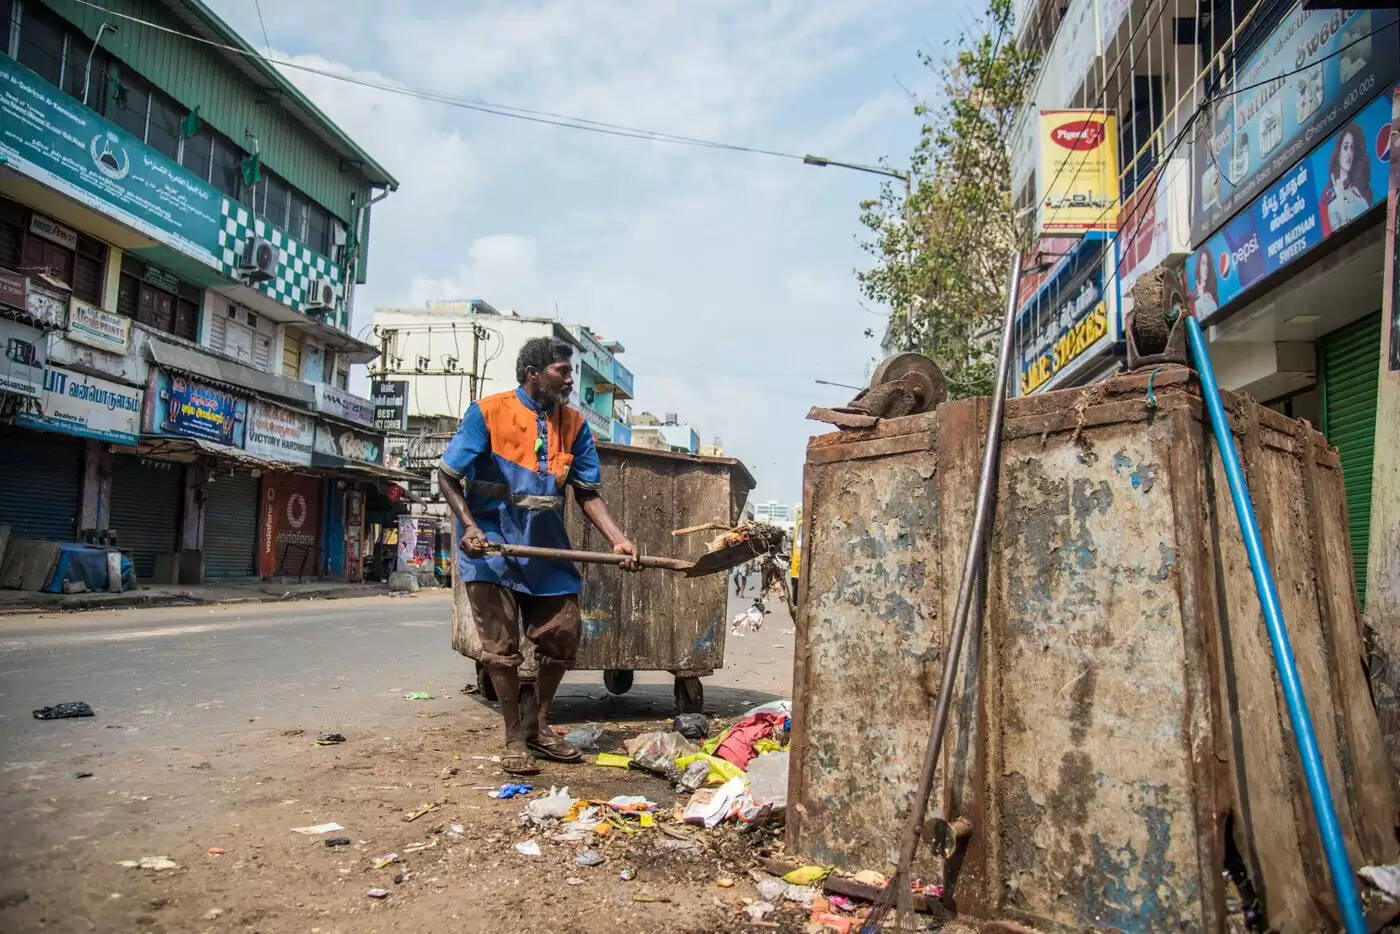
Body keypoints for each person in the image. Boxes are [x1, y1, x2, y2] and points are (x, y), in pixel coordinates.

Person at [438, 337, 639, 775]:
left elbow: (587, 493)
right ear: (533, 373)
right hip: (491, 549)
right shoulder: (487, 412)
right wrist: (470, 527)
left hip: (546, 550)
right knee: (501, 650)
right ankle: (514, 737)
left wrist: (618, 540)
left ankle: (537, 724)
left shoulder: (574, 425)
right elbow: (448, 475)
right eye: (562, 371)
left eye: (570, 372)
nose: (570, 380)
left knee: (564, 633)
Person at [1322, 122, 1372, 235]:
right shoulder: (1333, 206)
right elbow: (1342, 236)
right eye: (1345, 147)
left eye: (1352, 147)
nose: (1349, 153)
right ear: (1338, 153)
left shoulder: (1357, 191)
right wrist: (1340, 199)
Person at [1192, 249, 1219, 317]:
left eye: (1207, 264)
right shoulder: (1194, 296)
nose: (1205, 268)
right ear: (1199, 266)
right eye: (1203, 263)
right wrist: (1201, 296)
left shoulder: (1211, 293)